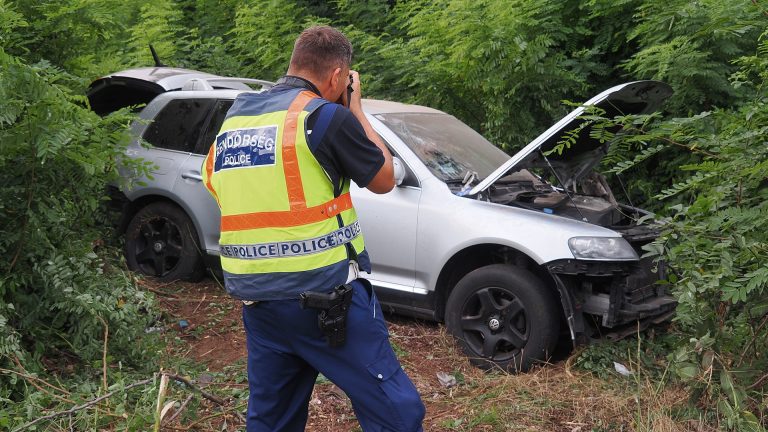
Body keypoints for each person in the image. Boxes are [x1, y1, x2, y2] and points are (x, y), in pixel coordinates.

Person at [202, 25, 426, 432]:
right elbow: (383, 179)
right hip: (326, 302)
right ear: (338, 75)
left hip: (260, 304)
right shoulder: (323, 116)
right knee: (398, 413)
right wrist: (356, 109)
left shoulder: (236, 120)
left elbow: (214, 182)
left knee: (273, 421)